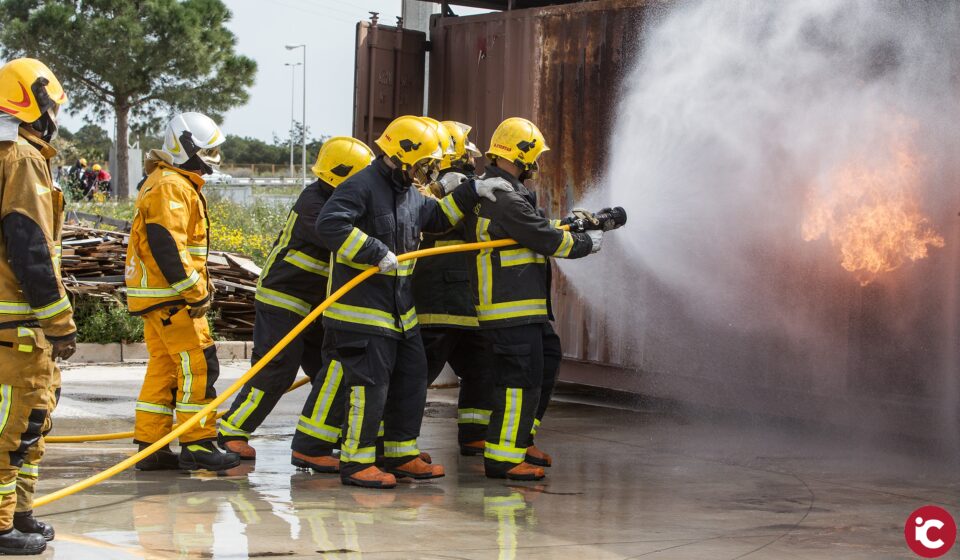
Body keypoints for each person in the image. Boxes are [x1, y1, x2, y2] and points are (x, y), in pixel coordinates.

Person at [302, 115, 509, 489]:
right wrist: (373, 249)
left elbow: (437, 218)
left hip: (399, 313)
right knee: (371, 386)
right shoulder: (361, 186)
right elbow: (330, 224)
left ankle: (400, 452)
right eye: (426, 163)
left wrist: (472, 191)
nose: (429, 171)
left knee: (412, 378)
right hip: (362, 312)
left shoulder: (409, 192)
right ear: (401, 156)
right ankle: (357, 461)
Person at [461, 117, 602, 481]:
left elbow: (536, 227)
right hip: (509, 306)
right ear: (522, 155)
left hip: (524, 306)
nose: (537, 164)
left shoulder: (504, 191)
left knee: (546, 361)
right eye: (534, 156)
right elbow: (543, 238)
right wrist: (586, 243)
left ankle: (521, 440)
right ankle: (504, 457)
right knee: (518, 380)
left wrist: (574, 223)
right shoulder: (504, 197)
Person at [218, 137, 375, 461]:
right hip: (284, 299)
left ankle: (319, 439)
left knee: (329, 369)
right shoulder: (316, 205)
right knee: (277, 367)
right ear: (345, 177)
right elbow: (343, 239)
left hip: (312, 307)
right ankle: (232, 430)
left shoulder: (333, 199)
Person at [124, 112, 240, 472]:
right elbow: (166, 243)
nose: (211, 161)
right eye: (208, 151)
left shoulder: (167, 181)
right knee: (200, 365)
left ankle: (152, 445)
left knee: (166, 368)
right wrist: (195, 292)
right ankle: (199, 443)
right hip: (173, 298)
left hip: (158, 296)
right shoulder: (172, 184)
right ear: (186, 146)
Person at [0, 57, 77, 555]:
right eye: (50, 103)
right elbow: (29, 246)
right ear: (34, 102)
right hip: (17, 322)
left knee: (29, 424)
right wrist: (61, 323)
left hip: (12, 321)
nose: (54, 113)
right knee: (13, 429)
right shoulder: (21, 157)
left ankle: (17, 513)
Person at [411, 120, 494, 456]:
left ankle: (476, 435)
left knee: (482, 369)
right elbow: (420, 218)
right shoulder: (420, 189)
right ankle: (394, 443)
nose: (469, 164)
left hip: (470, 302)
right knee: (417, 376)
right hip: (435, 300)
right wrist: (445, 189)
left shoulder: (473, 186)